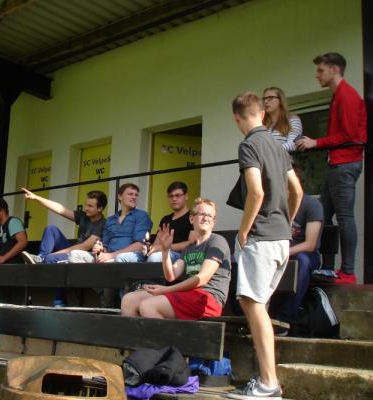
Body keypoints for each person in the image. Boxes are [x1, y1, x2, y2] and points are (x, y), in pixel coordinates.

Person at [226, 92, 302, 400]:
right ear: (260, 112)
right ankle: (264, 380)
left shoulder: (250, 145)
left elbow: (255, 192)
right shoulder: (276, 144)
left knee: (253, 305)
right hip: (281, 239)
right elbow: (296, 190)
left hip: (261, 240)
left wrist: (243, 231)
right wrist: (285, 223)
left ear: (237, 118)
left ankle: (269, 383)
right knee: (260, 306)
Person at [296, 52, 367, 284]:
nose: (317, 75)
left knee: (344, 217)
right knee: (323, 215)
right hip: (336, 163)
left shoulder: (346, 95)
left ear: (334, 69)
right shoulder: (338, 95)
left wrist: (316, 142)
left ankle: (347, 272)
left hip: (345, 163)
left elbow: (348, 135)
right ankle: (327, 267)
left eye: (321, 70)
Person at [121, 198, 230, 320]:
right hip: (189, 296)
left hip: (208, 298)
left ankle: (163, 339)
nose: (206, 218)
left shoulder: (217, 241)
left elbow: (202, 279)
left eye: (210, 216)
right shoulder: (190, 248)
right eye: (202, 214)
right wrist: (165, 251)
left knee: (148, 305)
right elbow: (171, 276)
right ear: (191, 218)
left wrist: (166, 290)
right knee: (129, 300)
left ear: (214, 221)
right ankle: (135, 339)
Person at [69, 183, 152, 307]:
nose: (134, 197)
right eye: (130, 194)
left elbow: (140, 245)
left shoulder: (141, 216)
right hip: (109, 258)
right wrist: (101, 250)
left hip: (130, 257)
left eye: (136, 195)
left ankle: (109, 302)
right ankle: (103, 289)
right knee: (74, 255)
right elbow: (105, 244)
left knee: (114, 262)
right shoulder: (111, 219)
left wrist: (111, 255)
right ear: (119, 197)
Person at [270, 192, 323, 332]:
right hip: (279, 252)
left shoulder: (311, 205)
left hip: (305, 255)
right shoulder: (276, 203)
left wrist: (284, 253)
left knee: (301, 262)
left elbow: (310, 245)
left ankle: (285, 319)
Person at [20, 188, 107, 264]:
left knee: (50, 258)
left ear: (100, 208)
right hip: (73, 249)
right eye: (86, 204)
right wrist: (36, 197)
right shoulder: (84, 215)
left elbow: (84, 247)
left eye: (90, 206)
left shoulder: (103, 224)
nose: (85, 208)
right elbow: (60, 209)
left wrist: (56, 254)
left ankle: (42, 260)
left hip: (81, 256)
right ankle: (41, 257)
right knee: (51, 229)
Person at [146, 181, 195, 263]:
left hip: (182, 256)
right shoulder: (165, 219)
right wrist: (153, 248)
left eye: (178, 195)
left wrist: (166, 247)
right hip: (162, 253)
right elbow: (157, 243)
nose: (174, 199)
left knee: (154, 258)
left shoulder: (193, 217)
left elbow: (192, 244)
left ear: (186, 196)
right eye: (171, 196)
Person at [0, 198, 28, 264]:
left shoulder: (13, 222)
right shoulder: (2, 227)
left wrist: (4, 258)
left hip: (15, 267)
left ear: (2, 211)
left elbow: (23, 242)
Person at [262, 87, 303, 153]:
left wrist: (269, 152)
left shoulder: (292, 119)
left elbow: (293, 144)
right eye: (264, 99)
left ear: (280, 101)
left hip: (284, 162)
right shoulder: (261, 124)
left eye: (270, 98)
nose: (265, 101)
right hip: (264, 163)